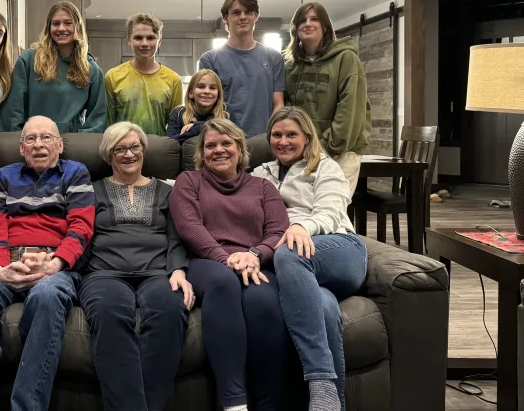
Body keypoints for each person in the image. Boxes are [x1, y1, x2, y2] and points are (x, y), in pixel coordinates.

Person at [0, 115, 95, 411]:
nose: (38, 145)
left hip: (54, 264)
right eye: (31, 139)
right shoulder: (3, 176)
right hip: (9, 262)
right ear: (21, 148)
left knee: (47, 295)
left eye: (46, 138)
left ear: (60, 144)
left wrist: (55, 264)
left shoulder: (76, 173)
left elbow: (81, 227)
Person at [170, 118, 293, 411]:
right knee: (223, 282)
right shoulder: (188, 181)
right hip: (205, 262)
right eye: (210, 145)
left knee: (263, 300)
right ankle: (234, 402)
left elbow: (278, 230)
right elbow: (189, 227)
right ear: (201, 153)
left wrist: (254, 254)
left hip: (254, 263)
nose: (219, 150)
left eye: (226, 143)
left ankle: (268, 403)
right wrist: (227, 260)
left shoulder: (263, 187)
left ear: (239, 148)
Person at [253, 106, 367, 411]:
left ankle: (318, 377)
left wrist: (301, 227)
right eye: (277, 135)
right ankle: (328, 402)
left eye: (292, 134)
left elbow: (331, 211)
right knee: (325, 308)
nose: (283, 141)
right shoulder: (260, 173)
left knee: (289, 253)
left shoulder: (325, 168)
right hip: (299, 269)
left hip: (337, 247)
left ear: (306, 137)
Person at [80, 122, 193, 411]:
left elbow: (175, 236)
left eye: (135, 147)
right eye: (120, 148)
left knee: (170, 309)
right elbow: (81, 234)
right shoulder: (91, 190)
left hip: (157, 272)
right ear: (108, 154)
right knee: (109, 312)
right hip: (104, 273)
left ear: (143, 150)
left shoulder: (168, 191)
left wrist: (178, 270)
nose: (129, 154)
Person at [283, 2, 371, 194]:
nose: (308, 24)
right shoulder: (290, 67)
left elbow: (350, 108)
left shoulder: (346, 59)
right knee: (303, 211)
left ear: (325, 26)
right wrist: (301, 145)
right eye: (302, 21)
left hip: (340, 152)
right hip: (303, 154)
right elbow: (288, 111)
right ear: (295, 29)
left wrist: (327, 146)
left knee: (332, 213)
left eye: (314, 19)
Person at [0, 1, 106, 133]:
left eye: (68, 23)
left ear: (77, 26)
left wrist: (79, 143)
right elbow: (13, 109)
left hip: (69, 144)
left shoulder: (91, 69)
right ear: (48, 27)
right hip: (31, 142)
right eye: (55, 23)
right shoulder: (29, 60)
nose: (61, 28)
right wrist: (20, 140)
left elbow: (97, 119)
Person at [198, 0, 285, 138]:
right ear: (225, 18)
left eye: (248, 12)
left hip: (264, 141)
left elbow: (278, 104)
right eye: (236, 13)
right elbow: (207, 106)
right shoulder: (210, 59)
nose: (243, 17)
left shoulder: (274, 58)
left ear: (255, 16)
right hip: (226, 140)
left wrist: (272, 136)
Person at [104, 13, 182, 135]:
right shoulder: (112, 77)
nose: (144, 43)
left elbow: (175, 127)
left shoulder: (173, 79)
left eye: (151, 38)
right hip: (122, 149)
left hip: (159, 148)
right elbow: (109, 123)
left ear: (159, 41)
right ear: (129, 41)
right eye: (138, 38)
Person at [166, 68, 229, 144]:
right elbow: (170, 144)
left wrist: (196, 127)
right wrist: (212, 127)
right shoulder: (178, 113)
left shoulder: (226, 112)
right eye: (201, 87)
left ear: (218, 94)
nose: (207, 91)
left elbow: (239, 138)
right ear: (191, 93)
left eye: (212, 88)